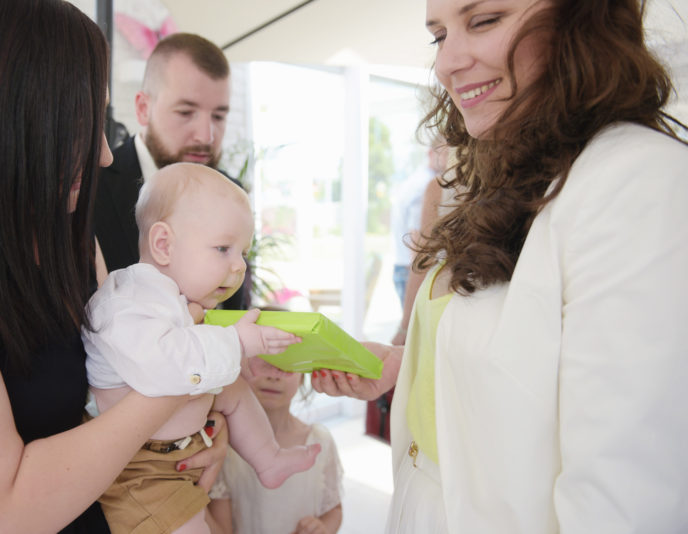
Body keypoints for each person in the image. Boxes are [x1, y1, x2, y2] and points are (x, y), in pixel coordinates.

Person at [311, 1, 688, 533]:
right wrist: (404, 364)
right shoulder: (498, 170)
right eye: (439, 36)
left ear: (582, 19)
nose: (446, 63)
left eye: (484, 21)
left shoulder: (639, 178)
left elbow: (623, 500)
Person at [0, 1, 229, 532]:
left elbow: (112, 385)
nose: (104, 155)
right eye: (80, 124)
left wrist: (188, 436)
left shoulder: (61, 232)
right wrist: (182, 379)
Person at [83, 162, 320, 534]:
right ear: (164, 245)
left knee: (233, 388)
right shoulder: (128, 302)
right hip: (140, 469)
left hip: (175, 448)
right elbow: (165, 367)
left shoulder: (174, 299)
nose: (238, 266)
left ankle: (268, 457)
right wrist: (235, 342)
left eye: (242, 252)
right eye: (223, 249)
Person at [94, 32, 249, 309]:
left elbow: (235, 310)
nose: (206, 136)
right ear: (143, 108)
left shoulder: (232, 194)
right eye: (186, 112)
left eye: (218, 116)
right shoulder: (92, 188)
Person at [207, 358, 344, 534]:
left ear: (302, 377)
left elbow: (334, 510)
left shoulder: (320, 441)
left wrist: (322, 527)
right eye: (263, 361)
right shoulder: (224, 447)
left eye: (287, 364)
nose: (274, 375)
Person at [391, 137, 449, 346]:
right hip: (411, 270)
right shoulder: (430, 185)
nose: (449, 157)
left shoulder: (421, 181)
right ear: (431, 154)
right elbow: (420, 246)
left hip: (409, 268)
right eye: (445, 151)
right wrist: (403, 329)